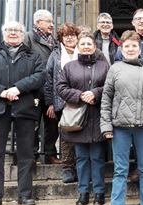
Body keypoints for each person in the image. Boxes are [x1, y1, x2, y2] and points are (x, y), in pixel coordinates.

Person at [0, 21, 45, 205]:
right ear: (4, 33)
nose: (13, 33)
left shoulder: (33, 55)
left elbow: (40, 76)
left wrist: (18, 88)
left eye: (17, 30)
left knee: (26, 154)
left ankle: (25, 195)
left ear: (23, 34)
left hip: (25, 108)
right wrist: (2, 91)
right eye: (9, 30)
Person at [100, 30, 143, 205]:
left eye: (134, 46)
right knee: (120, 170)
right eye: (126, 46)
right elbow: (106, 98)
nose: (130, 49)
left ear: (140, 49)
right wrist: (106, 126)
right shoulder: (114, 69)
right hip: (120, 127)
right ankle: (117, 204)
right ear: (121, 49)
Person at [56, 32, 109, 205]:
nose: (86, 46)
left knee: (98, 158)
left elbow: (110, 86)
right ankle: (83, 192)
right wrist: (80, 95)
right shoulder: (70, 67)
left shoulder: (104, 66)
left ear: (95, 46)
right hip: (78, 119)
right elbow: (61, 87)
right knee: (82, 158)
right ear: (79, 46)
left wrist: (94, 93)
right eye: (83, 43)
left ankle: (100, 193)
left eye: (89, 43)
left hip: (98, 117)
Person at [45, 23, 81, 183]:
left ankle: (81, 167)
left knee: (82, 136)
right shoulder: (55, 55)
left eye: (72, 35)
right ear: (61, 38)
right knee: (66, 136)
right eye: (66, 36)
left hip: (82, 100)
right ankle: (67, 168)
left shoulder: (84, 50)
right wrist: (50, 103)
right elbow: (48, 79)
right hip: (62, 101)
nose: (70, 38)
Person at [23, 9, 60, 164]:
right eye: (49, 21)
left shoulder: (54, 40)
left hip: (51, 90)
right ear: (38, 23)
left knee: (52, 124)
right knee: (34, 122)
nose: (52, 24)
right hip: (35, 90)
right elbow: (24, 62)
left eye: (52, 21)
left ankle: (50, 154)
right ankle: (32, 155)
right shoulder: (28, 38)